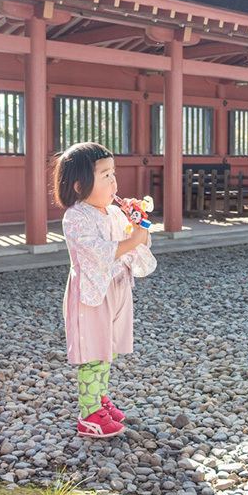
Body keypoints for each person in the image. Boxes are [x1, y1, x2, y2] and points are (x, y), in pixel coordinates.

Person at [54, 143, 156, 438]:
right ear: (79, 184)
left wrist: (138, 222)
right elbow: (101, 252)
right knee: (94, 352)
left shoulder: (113, 212)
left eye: (113, 173)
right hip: (92, 295)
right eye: (105, 175)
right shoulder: (75, 217)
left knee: (107, 350)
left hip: (116, 289)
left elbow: (136, 243)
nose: (113, 181)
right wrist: (135, 236)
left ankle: (99, 398)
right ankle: (88, 413)